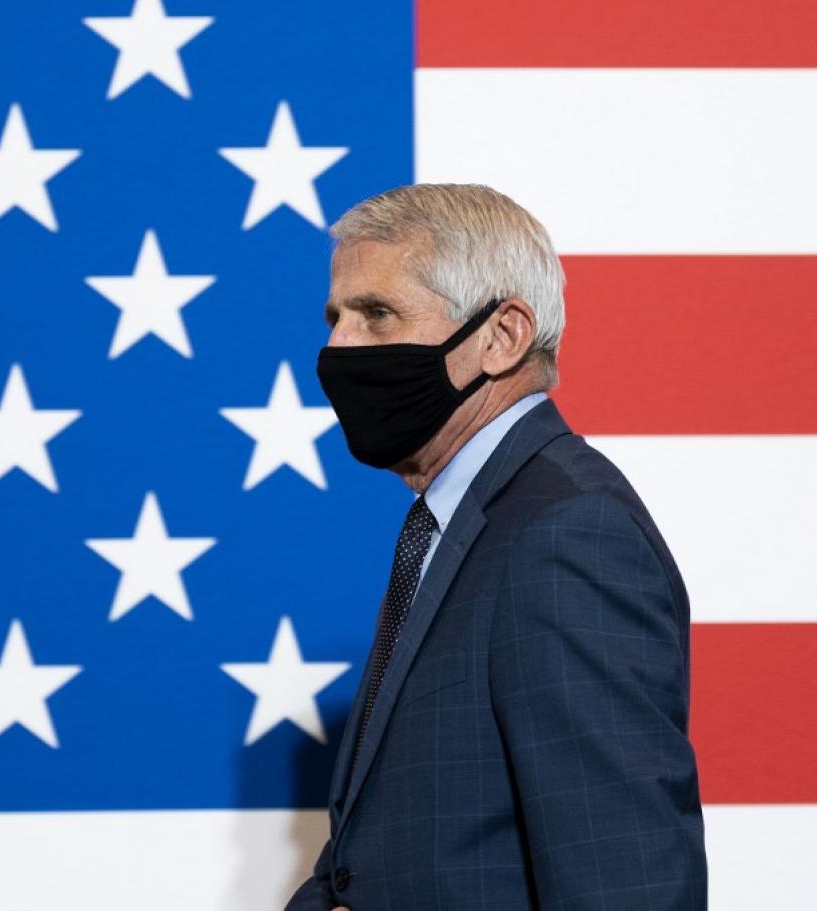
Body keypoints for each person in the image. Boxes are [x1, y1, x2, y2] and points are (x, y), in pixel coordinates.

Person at [286, 184, 707, 910]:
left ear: (503, 335)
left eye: (376, 314)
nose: (338, 347)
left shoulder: (567, 535)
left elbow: (627, 888)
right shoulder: (461, 521)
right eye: (336, 318)